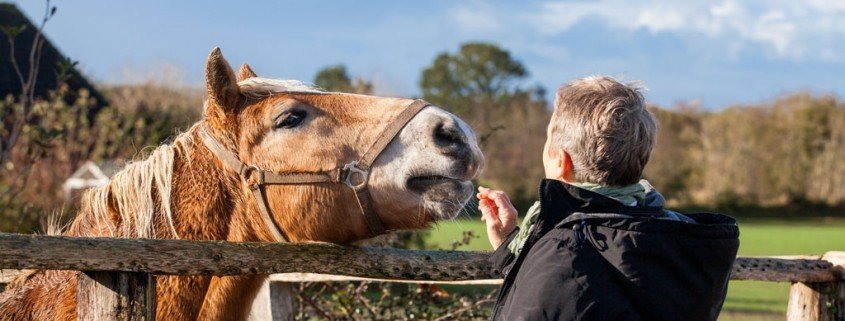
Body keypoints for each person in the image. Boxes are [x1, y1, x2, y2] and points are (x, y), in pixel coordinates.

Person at [477, 76, 739, 321]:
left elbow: (561, 293)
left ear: (560, 161)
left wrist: (538, 255)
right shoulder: (682, 246)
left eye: (547, 141)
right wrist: (510, 252)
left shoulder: (564, 249)